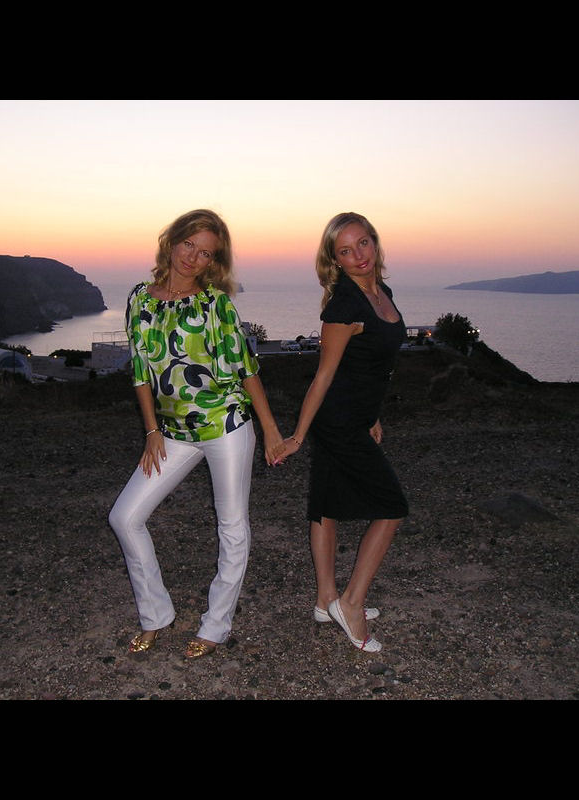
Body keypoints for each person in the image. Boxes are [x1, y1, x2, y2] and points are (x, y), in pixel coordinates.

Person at [108, 209, 285, 659]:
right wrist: (151, 430)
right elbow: (141, 370)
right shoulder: (140, 298)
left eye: (205, 253)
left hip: (225, 424)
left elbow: (246, 368)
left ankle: (216, 625)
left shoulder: (215, 304)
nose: (193, 257)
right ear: (172, 241)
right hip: (172, 432)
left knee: (232, 525)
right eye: (189, 244)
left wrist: (270, 430)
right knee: (125, 517)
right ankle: (155, 614)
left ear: (213, 262)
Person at [279, 212, 408, 653]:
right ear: (335, 260)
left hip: (356, 415)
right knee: (392, 506)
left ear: (375, 241)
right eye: (346, 251)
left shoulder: (381, 292)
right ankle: (350, 603)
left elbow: (371, 365)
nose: (359, 256)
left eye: (363, 243)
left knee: (326, 505)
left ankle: (325, 601)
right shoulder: (344, 306)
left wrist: (373, 415)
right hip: (337, 421)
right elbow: (324, 375)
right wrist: (298, 436)